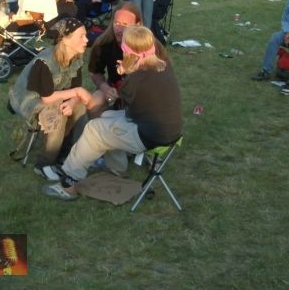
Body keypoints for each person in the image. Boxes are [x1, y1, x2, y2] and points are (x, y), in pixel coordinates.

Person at [42, 25, 183, 201]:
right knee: (106, 117)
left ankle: (68, 184)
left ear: (129, 52)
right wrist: (130, 71)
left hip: (150, 136)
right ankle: (118, 169)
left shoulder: (136, 79)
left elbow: (126, 104)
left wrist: (125, 73)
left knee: (94, 129)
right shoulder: (163, 65)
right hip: (171, 130)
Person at [8, 18, 95, 181]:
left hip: (55, 96)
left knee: (80, 108)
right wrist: (77, 92)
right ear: (66, 40)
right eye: (81, 36)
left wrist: (72, 102)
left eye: (86, 35)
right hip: (29, 100)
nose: (86, 40)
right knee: (56, 112)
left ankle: (70, 155)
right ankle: (44, 164)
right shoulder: (45, 62)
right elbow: (47, 98)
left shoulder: (76, 57)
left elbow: (74, 90)